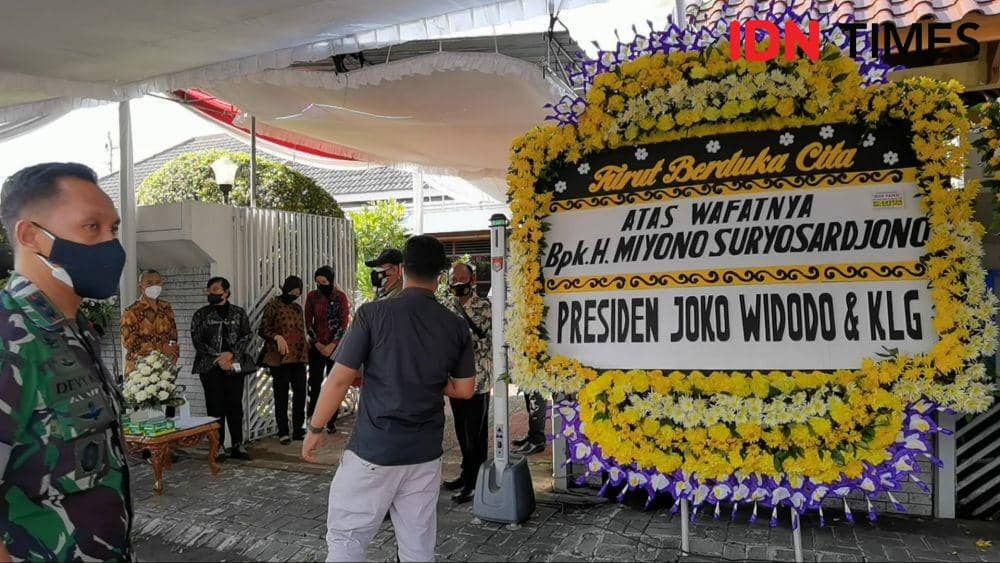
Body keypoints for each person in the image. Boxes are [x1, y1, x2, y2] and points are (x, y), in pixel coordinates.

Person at [302, 235, 475, 562]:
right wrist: (427, 377)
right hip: (425, 454)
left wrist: (315, 429)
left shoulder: (373, 314)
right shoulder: (455, 325)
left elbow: (338, 379)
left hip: (374, 449)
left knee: (347, 542)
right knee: (417, 549)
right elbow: (465, 390)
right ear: (440, 276)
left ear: (403, 269)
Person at [0, 162, 132, 560]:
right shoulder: (10, 336)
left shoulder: (74, 329)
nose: (112, 245)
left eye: (113, 229)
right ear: (31, 236)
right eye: (92, 227)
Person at [443, 262, 492, 503]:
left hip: (478, 379)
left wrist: (460, 339)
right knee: (461, 430)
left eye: (462, 278)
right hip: (454, 380)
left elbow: (487, 341)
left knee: (476, 433)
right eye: (454, 279)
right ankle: (466, 474)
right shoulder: (446, 306)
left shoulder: (485, 307)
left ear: (472, 281)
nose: (458, 283)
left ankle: (475, 481)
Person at [191, 276, 253, 461]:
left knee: (235, 406)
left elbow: (246, 335)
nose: (211, 293)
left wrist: (231, 354)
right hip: (210, 367)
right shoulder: (201, 314)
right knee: (215, 407)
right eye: (209, 290)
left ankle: (237, 445)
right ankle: (217, 446)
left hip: (233, 365)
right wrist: (218, 358)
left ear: (226, 292)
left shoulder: (238, 313)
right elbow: (197, 340)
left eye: (216, 290)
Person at [260, 276, 309, 444]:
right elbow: (263, 329)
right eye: (292, 291)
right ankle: (283, 431)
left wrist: (304, 353)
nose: (295, 295)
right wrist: (277, 336)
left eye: (298, 292)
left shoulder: (297, 308)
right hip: (279, 358)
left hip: (298, 357)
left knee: (300, 393)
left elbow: (301, 332)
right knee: (281, 395)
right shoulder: (273, 306)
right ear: (286, 289)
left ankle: (298, 429)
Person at [304, 266, 350, 433]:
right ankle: (313, 419)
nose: (320, 285)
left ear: (330, 280)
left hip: (335, 348)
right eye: (317, 282)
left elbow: (343, 323)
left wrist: (332, 344)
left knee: (333, 384)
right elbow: (308, 321)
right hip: (317, 346)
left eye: (323, 282)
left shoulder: (340, 297)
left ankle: (331, 420)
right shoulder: (312, 297)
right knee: (314, 383)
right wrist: (317, 343)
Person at [121, 269, 179, 375]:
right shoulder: (131, 311)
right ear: (141, 287)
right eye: (149, 283)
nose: (154, 286)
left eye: (157, 282)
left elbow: (173, 335)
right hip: (139, 371)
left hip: (163, 368)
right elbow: (129, 344)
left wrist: (174, 353)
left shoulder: (166, 307)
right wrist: (160, 349)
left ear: (162, 284)